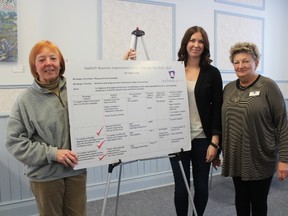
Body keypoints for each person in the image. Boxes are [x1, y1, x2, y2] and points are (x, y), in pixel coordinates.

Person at [6, 40, 87, 216]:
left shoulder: (78, 90)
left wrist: (123, 64)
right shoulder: (25, 100)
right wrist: (53, 153)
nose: (48, 63)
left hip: (76, 171)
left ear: (60, 64)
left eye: (53, 58)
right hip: (46, 176)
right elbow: (14, 142)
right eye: (41, 60)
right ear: (35, 67)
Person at [221, 42, 288, 216]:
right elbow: (224, 123)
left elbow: (282, 124)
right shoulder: (228, 89)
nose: (240, 66)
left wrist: (284, 160)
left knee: (258, 204)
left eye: (245, 61)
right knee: (241, 201)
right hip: (236, 157)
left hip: (260, 158)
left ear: (256, 62)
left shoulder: (268, 86)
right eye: (236, 62)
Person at [169, 26, 223, 216]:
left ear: (205, 46)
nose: (196, 45)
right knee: (181, 189)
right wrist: (128, 61)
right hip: (178, 140)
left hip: (203, 139)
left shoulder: (212, 73)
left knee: (201, 187)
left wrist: (215, 143)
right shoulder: (172, 70)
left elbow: (218, 108)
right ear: (186, 43)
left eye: (200, 41)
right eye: (192, 40)